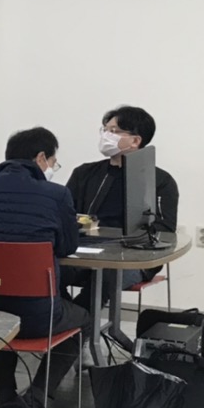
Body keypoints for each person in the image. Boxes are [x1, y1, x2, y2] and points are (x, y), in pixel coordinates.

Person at [0, 128, 88, 408]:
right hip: (38, 316)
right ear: (41, 157)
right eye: (53, 162)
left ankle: (5, 394)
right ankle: (37, 396)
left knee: (2, 316)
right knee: (84, 318)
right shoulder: (57, 194)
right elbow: (67, 247)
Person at [65, 105, 179, 291]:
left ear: (135, 140)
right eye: (105, 130)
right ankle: (68, 309)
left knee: (110, 277)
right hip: (87, 249)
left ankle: (80, 310)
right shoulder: (84, 173)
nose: (106, 136)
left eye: (114, 131)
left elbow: (166, 229)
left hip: (133, 257)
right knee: (49, 271)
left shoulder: (159, 180)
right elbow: (65, 214)